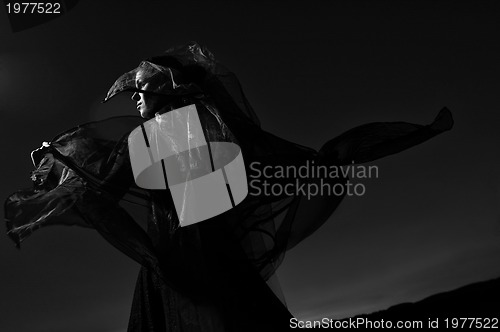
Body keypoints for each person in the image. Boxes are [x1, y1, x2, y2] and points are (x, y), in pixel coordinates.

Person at [5, 42, 453, 331]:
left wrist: (61, 159)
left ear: (168, 89)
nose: (136, 98)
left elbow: (105, 189)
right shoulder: (203, 127)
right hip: (211, 248)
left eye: (143, 90)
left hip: (182, 254)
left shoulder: (161, 132)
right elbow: (231, 176)